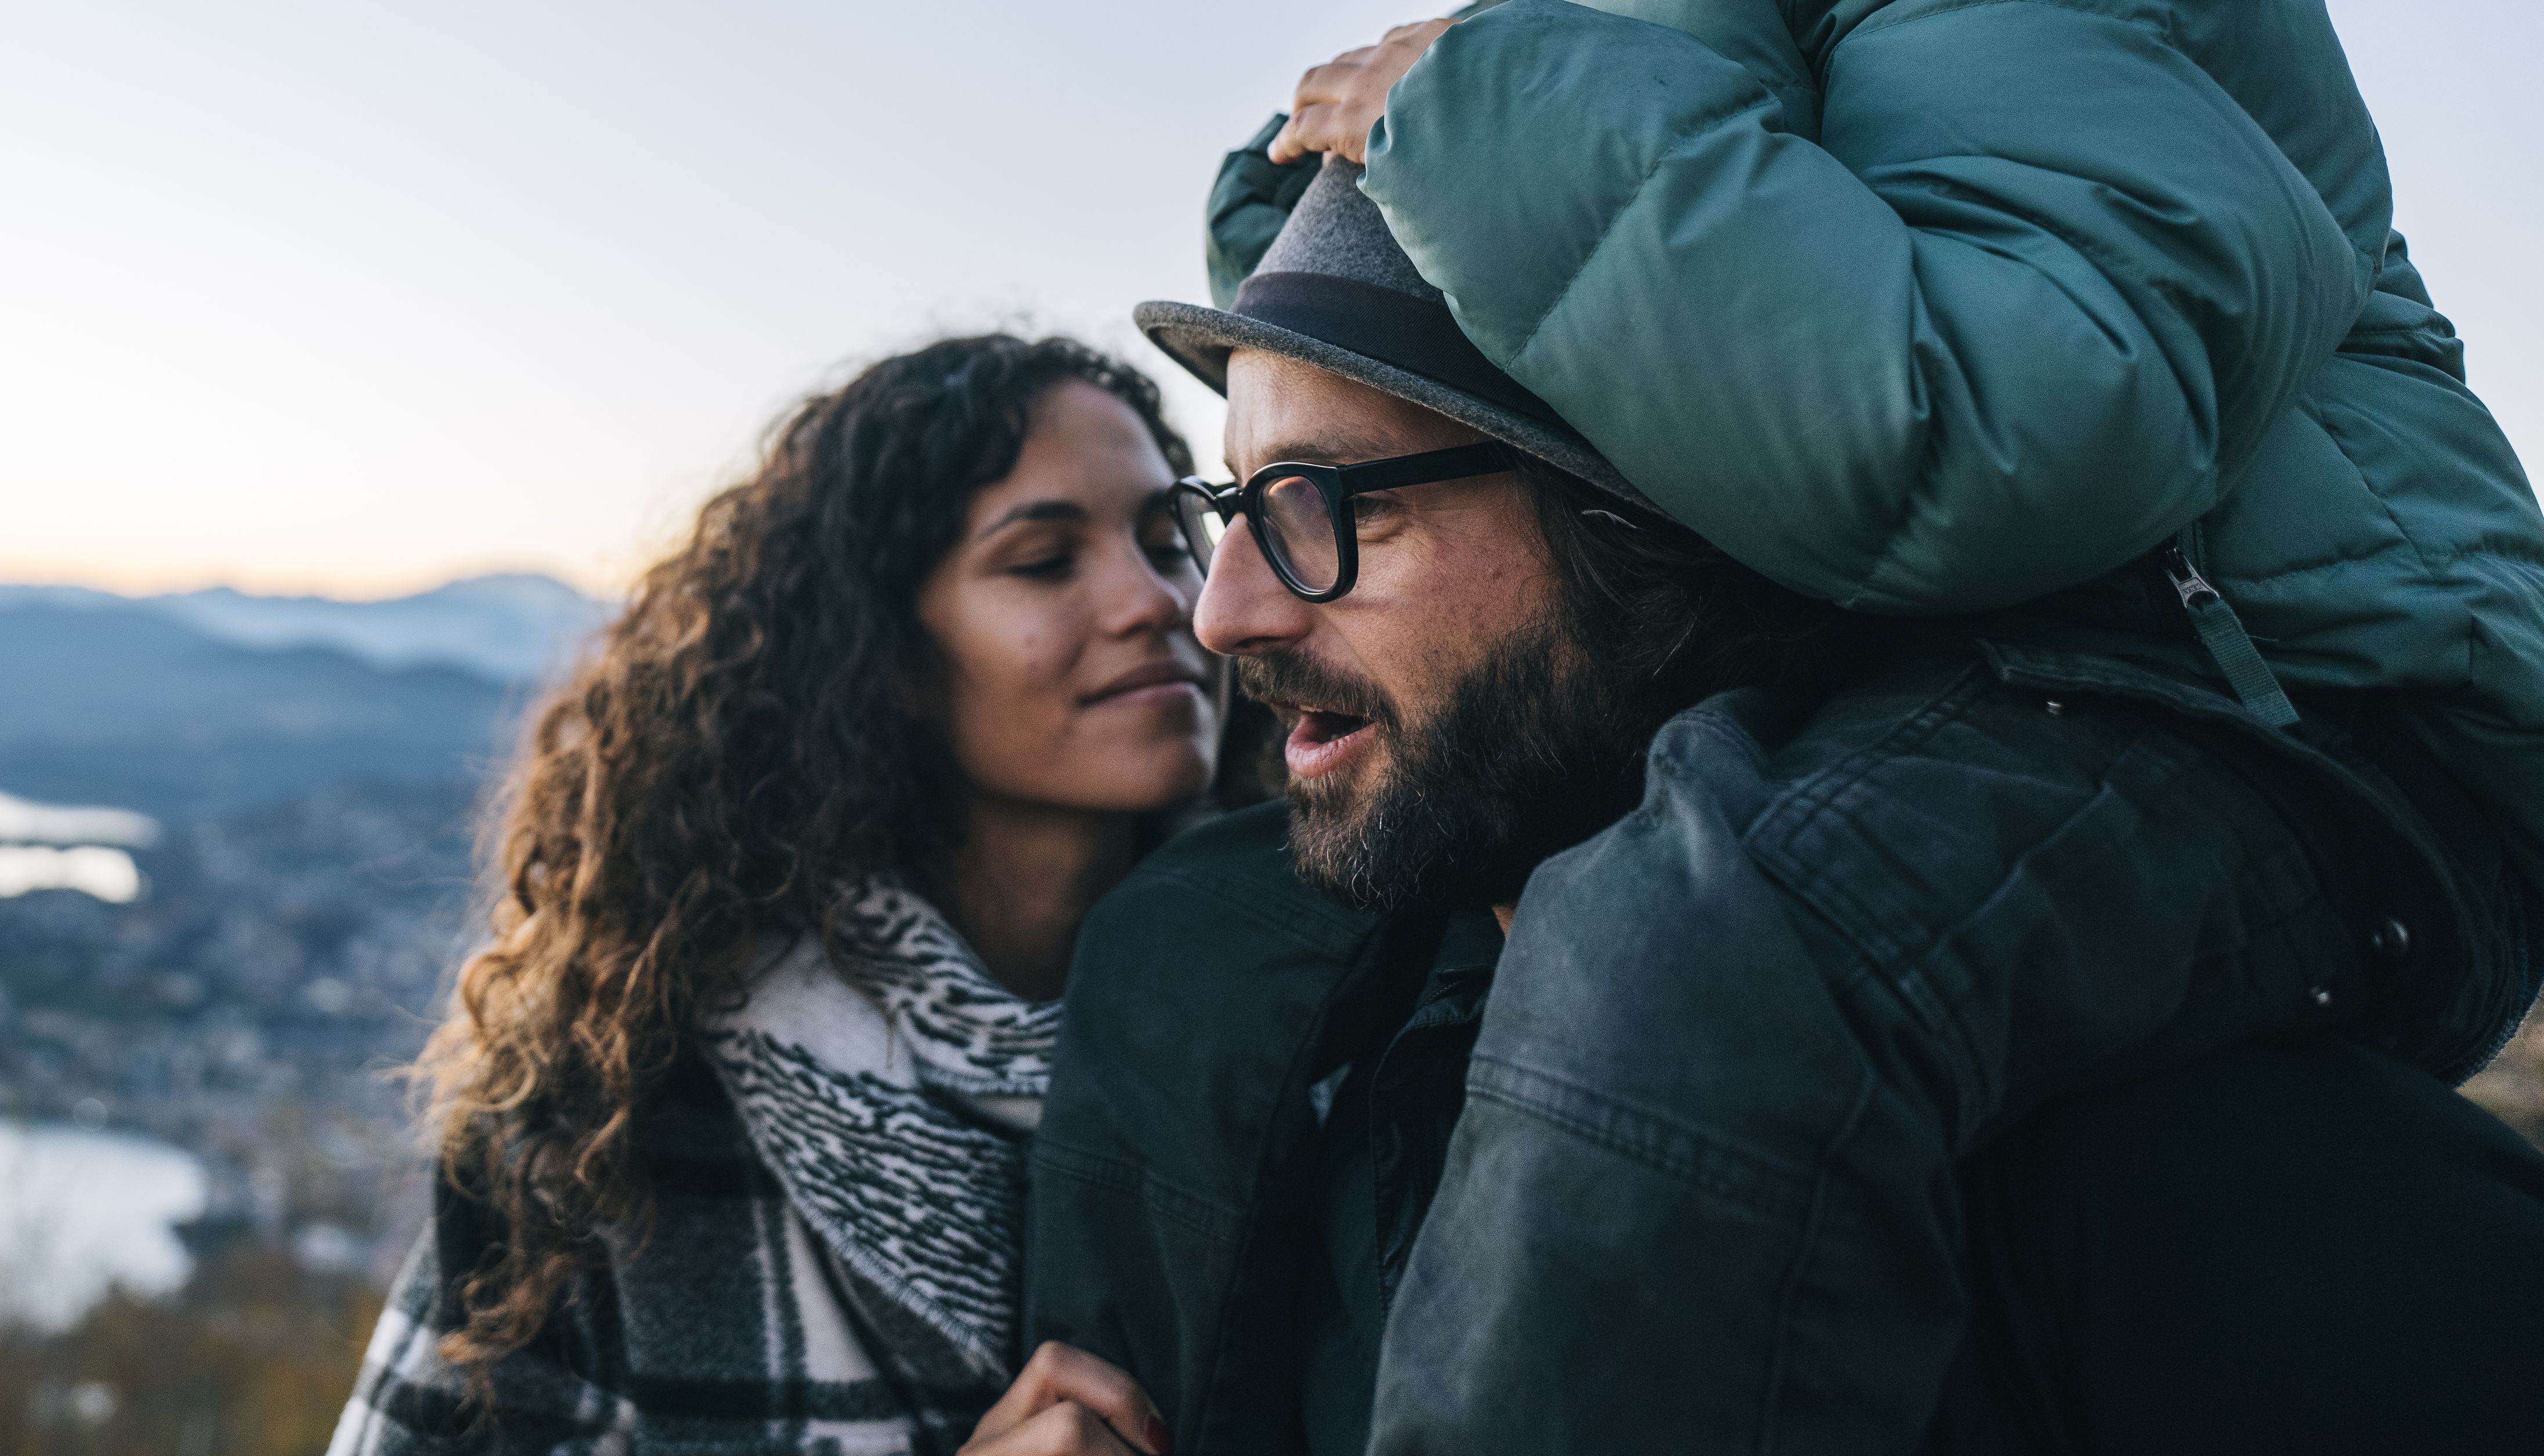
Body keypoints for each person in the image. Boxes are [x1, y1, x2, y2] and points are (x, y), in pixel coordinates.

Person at [1153, 0, 2544, 1448]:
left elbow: (2014, 433)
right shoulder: (1651, 15)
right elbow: (1562, 347)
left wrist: (1493, 126)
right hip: (2046, 696)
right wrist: (1322, 199)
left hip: (2314, 723)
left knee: (1723, 954)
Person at [1003, 171, 2544, 1456]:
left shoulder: (2241, 1189)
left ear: (1651, 517)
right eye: (1235, 512)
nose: (1220, 618)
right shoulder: (1241, 1032)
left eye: (1332, 510)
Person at [327, 334, 1248, 1456]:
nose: (1156, 600)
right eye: (1045, 561)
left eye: (1169, 541)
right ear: (884, 660)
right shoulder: (614, 1137)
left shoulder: (1335, 1043)